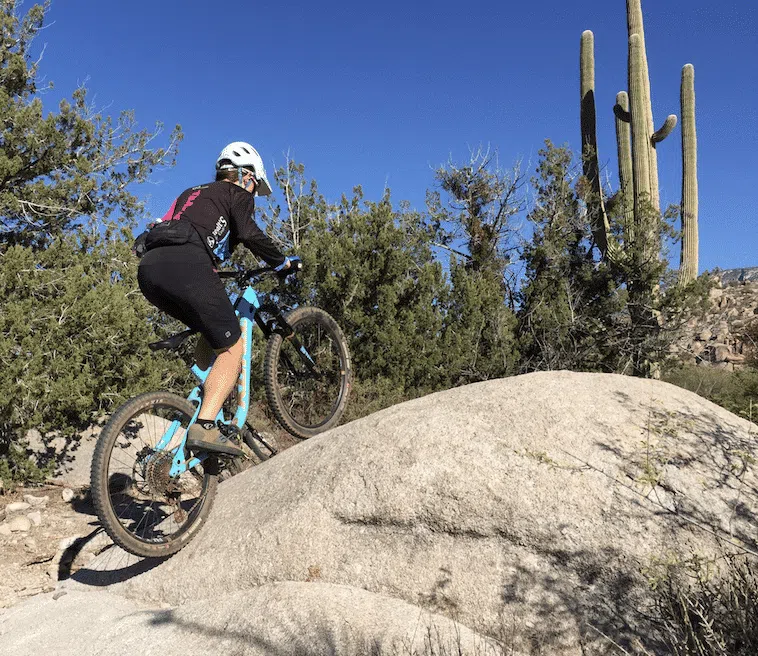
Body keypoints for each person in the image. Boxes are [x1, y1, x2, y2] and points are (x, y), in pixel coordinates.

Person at [137, 141, 291, 458]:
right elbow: (248, 232)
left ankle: (207, 392)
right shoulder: (237, 193)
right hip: (188, 263)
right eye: (255, 185)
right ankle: (205, 424)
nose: (254, 193)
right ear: (246, 176)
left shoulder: (190, 193)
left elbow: (165, 226)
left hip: (150, 270)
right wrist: (281, 262)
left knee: (212, 331)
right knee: (234, 348)